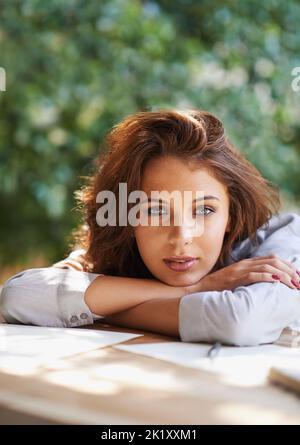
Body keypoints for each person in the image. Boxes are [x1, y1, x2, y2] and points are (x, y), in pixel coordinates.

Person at [1, 109, 300, 346]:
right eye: (155, 211)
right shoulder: (119, 255)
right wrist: (198, 288)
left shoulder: (281, 240)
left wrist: (110, 306)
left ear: (231, 216)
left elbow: (237, 321)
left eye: (205, 210)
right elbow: (19, 296)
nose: (182, 237)